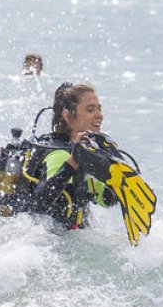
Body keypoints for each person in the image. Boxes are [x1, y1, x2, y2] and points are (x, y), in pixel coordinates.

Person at [25, 83, 117, 229]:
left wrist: (122, 187)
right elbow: (38, 206)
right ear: (67, 115)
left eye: (99, 108)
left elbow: (105, 199)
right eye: (90, 109)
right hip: (45, 241)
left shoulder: (90, 151)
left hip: (72, 237)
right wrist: (72, 162)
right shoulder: (58, 153)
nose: (99, 115)